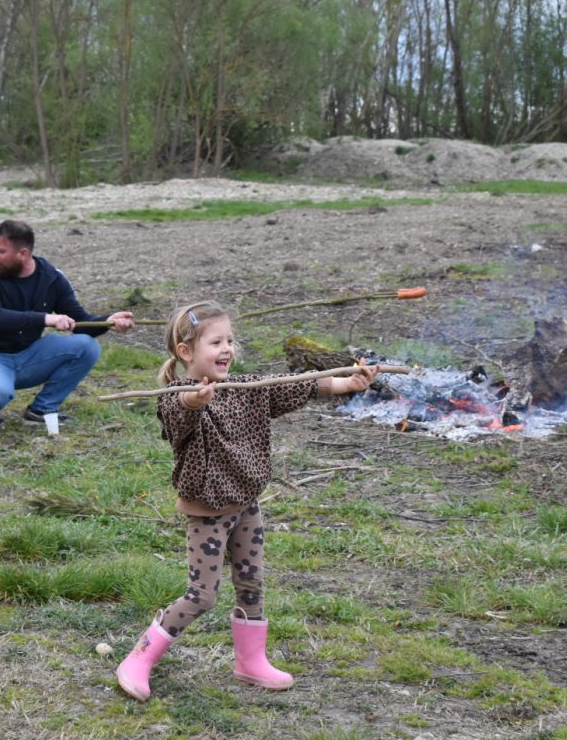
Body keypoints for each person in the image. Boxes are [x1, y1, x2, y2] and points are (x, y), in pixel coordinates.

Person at [116, 301, 378, 702]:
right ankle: (140, 658)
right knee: (202, 595)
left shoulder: (247, 391)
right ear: (186, 352)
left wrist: (348, 384)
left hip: (246, 506)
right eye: (216, 342)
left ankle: (250, 663)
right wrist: (195, 401)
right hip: (208, 511)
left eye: (230, 341)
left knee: (251, 585)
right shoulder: (176, 395)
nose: (227, 349)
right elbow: (177, 414)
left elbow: (300, 387)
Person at [0, 219, 135, 427]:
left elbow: (79, 320)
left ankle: (42, 409)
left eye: (1, 251)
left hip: (28, 356)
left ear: (23, 253)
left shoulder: (52, 277)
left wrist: (108, 322)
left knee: (86, 346)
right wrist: (46, 319)